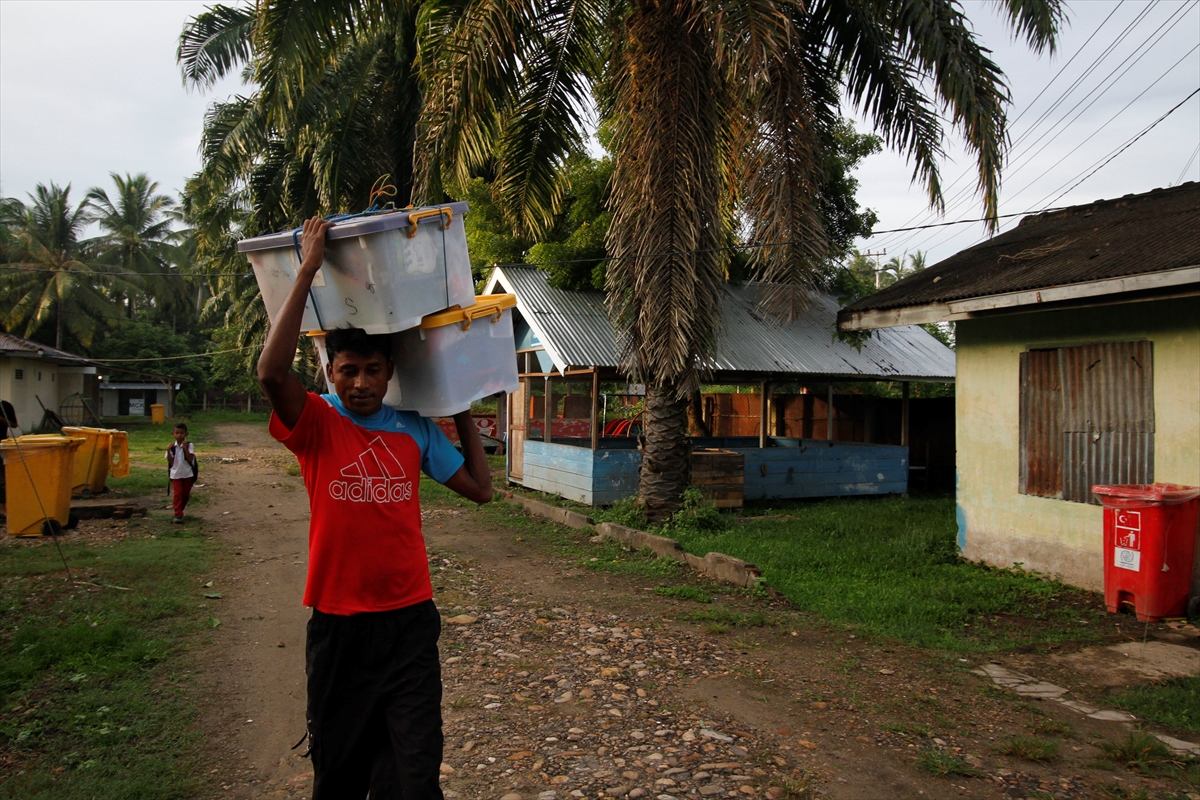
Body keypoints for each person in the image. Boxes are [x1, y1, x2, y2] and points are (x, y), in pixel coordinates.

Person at [257, 216, 493, 800]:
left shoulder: (413, 430)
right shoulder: (316, 422)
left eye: (372, 370)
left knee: (414, 777)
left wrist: (454, 396)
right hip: (338, 626)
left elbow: (480, 489)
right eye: (347, 372)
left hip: (409, 622)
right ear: (330, 375)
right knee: (338, 775)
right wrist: (308, 267)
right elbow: (269, 372)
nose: (360, 383)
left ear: (390, 372)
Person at [166, 422, 198, 523]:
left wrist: (185, 448)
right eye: (177, 433)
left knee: (185, 495)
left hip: (188, 473)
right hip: (175, 474)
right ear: (173, 434)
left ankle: (180, 510)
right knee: (178, 494)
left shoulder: (189, 445)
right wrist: (167, 451)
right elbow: (171, 462)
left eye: (181, 433)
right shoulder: (172, 447)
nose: (179, 435)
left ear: (186, 434)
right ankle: (178, 514)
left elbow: (190, 458)